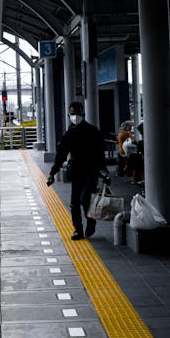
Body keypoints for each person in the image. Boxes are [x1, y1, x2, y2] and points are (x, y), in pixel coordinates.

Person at [46, 101, 109, 240]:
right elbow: (61, 154)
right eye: (72, 113)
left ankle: (91, 221)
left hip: (91, 171)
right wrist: (52, 173)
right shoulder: (69, 133)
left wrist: (104, 170)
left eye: (78, 113)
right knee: (75, 203)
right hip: (76, 171)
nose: (75, 116)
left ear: (83, 114)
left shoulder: (93, 131)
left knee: (85, 199)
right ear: (69, 115)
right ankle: (78, 230)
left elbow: (100, 153)